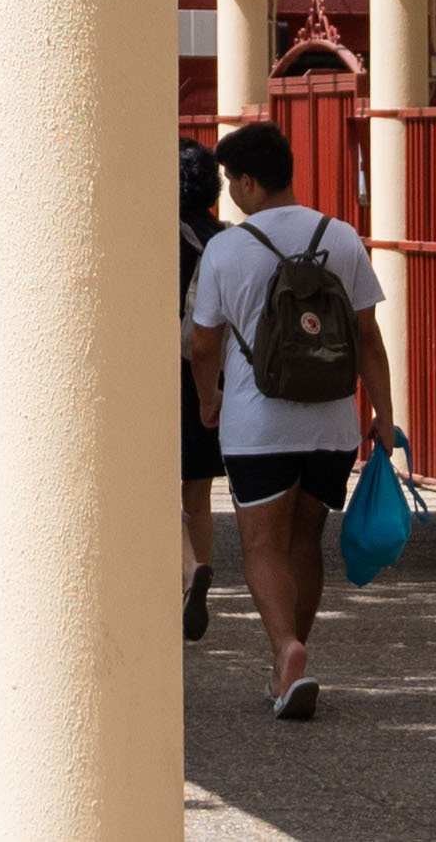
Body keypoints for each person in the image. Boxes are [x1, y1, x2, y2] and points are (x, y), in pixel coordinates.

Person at [183, 116, 392, 722]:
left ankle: (285, 651)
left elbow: (202, 345)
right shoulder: (343, 237)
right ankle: (291, 662)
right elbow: (368, 338)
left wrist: (208, 400)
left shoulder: (226, 249)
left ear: (249, 182)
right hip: (331, 424)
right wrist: (382, 414)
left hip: (259, 423)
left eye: (230, 180)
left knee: (261, 544)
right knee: (306, 540)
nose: (228, 192)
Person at [175, 141, 227, 643]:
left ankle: (189, 573)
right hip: (215, 377)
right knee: (199, 492)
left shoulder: (162, 238)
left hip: (170, 370)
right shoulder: (224, 238)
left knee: (159, 485)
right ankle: (202, 572)